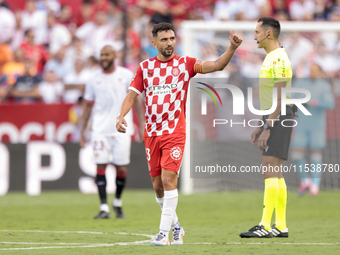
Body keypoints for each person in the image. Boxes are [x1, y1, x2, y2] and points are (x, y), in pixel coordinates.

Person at [116, 22, 242, 246]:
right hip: (152, 133)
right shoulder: (145, 68)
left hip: (175, 131)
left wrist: (231, 49)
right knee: (157, 186)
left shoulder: (186, 64)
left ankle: (163, 234)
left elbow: (216, 66)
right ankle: (176, 227)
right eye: (164, 40)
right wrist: (121, 116)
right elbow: (131, 95)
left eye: (172, 39)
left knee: (168, 179)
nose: (169, 43)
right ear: (154, 43)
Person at [239, 17, 292, 238]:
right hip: (276, 116)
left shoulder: (278, 58)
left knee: (269, 170)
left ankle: (265, 225)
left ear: (268, 34)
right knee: (275, 172)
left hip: (280, 116)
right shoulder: (273, 57)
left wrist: (269, 126)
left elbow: (279, 98)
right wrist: (262, 125)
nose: (254, 36)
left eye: (257, 31)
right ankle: (280, 225)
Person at [80, 43, 144, 219]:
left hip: (122, 129)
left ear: (115, 56)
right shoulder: (93, 79)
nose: (104, 58)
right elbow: (87, 107)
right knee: (100, 165)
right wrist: (82, 131)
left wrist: (142, 125)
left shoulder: (125, 75)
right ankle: (103, 207)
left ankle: (117, 201)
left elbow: (136, 101)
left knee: (120, 167)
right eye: (102, 55)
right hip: (99, 129)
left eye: (107, 54)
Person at [291, 63, 334, 196]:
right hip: (302, 125)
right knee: (296, 154)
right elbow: (291, 98)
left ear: (320, 72)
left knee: (316, 154)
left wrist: (314, 102)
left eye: (315, 70)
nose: (312, 72)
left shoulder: (324, 86)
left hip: (317, 126)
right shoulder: (300, 84)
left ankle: (315, 185)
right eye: (310, 70)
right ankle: (305, 181)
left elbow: (330, 104)